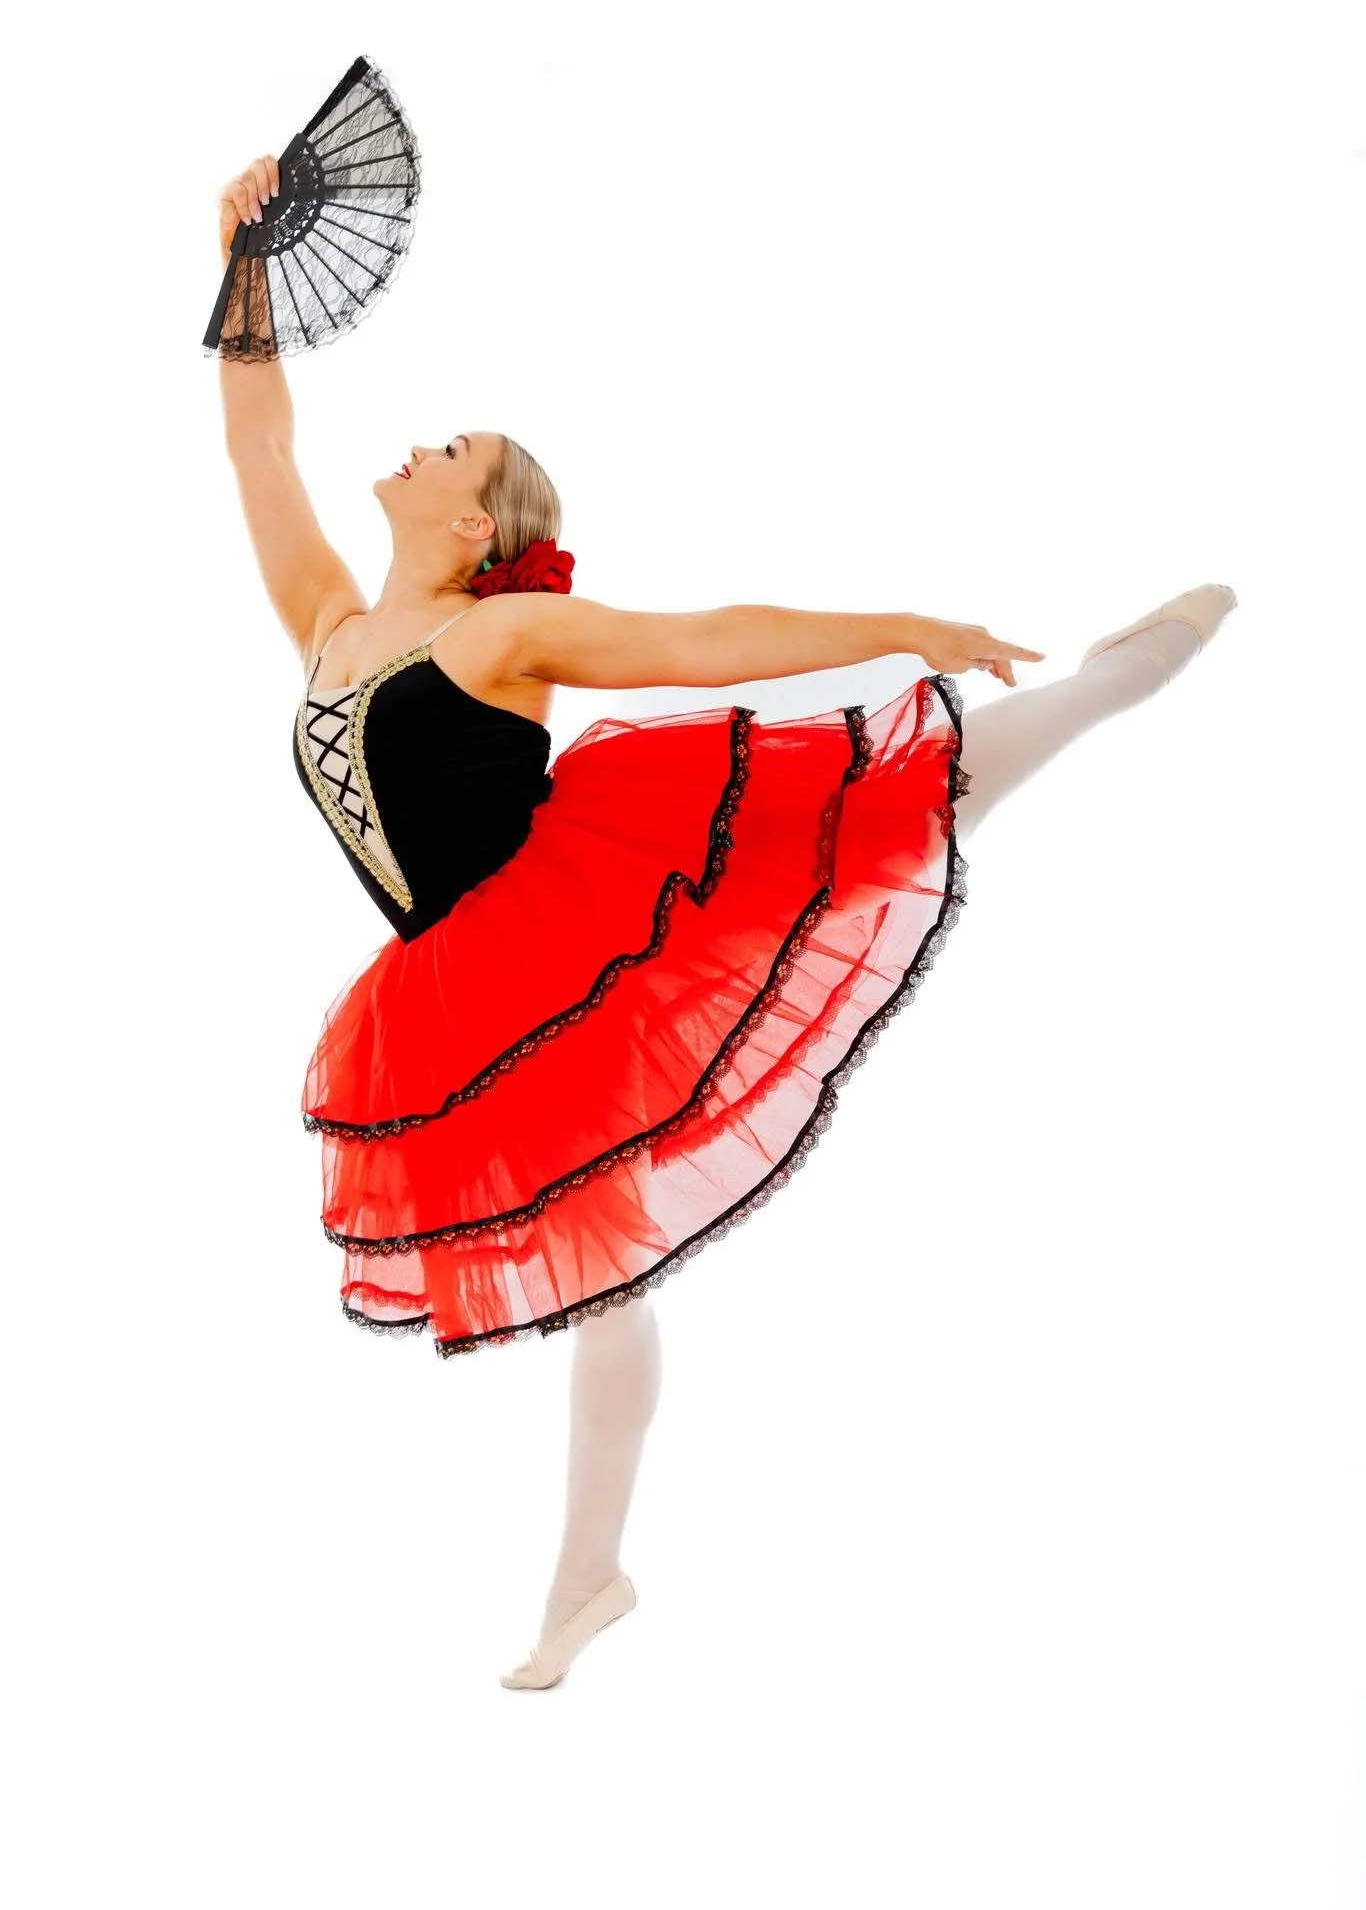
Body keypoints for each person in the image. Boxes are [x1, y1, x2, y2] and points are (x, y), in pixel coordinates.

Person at [216, 154, 1238, 1691]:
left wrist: (904, 625)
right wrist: (240, 259)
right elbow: (255, 441)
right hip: (463, 990)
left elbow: (706, 639)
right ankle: (590, 1579)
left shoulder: (509, 626)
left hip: (579, 925)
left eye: (453, 448)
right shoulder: (327, 618)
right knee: (600, 1265)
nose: (418, 446)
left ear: (483, 519)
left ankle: (1113, 677)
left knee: (887, 804)